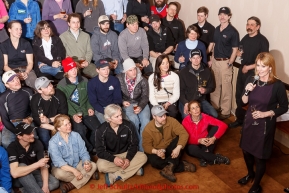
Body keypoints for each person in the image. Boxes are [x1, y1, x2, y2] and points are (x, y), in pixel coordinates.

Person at [238, 52, 288, 193]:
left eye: (263, 66)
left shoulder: (278, 86)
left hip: (264, 126)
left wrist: (266, 113)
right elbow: (243, 102)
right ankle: (250, 174)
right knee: (246, 151)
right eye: (258, 65)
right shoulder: (251, 79)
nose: (259, 69)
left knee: (259, 157)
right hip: (249, 122)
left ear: (270, 67)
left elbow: (284, 107)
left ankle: (256, 185)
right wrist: (247, 92)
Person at [229, 16, 269, 129]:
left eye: (252, 25)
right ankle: (240, 120)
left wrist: (249, 67)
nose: (249, 27)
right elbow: (240, 49)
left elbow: (265, 61)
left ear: (258, 27)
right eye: (248, 24)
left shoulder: (263, 41)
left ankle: (248, 124)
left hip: (255, 73)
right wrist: (237, 53)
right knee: (239, 96)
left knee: (250, 99)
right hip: (243, 70)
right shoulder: (246, 38)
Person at [95, 104, 147, 187]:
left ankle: (115, 175)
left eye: (120, 114)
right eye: (117, 116)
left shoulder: (128, 125)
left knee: (143, 157)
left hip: (126, 154)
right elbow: (100, 151)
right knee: (100, 166)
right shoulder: (100, 130)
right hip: (111, 157)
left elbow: (134, 144)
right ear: (109, 119)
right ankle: (133, 169)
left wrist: (128, 158)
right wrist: (113, 159)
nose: (121, 118)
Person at [57, 57, 101, 154]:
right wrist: (73, 115)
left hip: (85, 110)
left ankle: (92, 147)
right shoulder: (61, 85)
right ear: (66, 72)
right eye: (70, 69)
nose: (74, 71)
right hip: (72, 113)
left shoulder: (84, 80)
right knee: (80, 131)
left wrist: (90, 107)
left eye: (75, 69)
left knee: (98, 128)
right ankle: (88, 149)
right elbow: (65, 103)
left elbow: (90, 96)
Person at [142, 105, 195, 182]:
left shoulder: (172, 120)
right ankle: (182, 165)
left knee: (179, 141)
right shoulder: (148, 129)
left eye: (164, 114)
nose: (164, 117)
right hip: (158, 150)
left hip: (171, 147)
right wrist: (157, 152)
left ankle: (168, 168)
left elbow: (184, 134)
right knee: (154, 162)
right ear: (154, 116)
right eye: (161, 116)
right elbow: (146, 146)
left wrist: (178, 148)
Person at [49, 115, 98, 193]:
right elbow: (59, 163)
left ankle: (70, 185)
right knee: (59, 174)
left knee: (94, 165)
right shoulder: (53, 142)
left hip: (76, 163)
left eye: (69, 123)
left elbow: (84, 152)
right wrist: (74, 171)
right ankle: (88, 176)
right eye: (66, 125)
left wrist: (86, 162)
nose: (69, 126)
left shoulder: (76, 135)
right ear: (58, 128)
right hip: (63, 168)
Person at [7, 122, 59, 193]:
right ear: (19, 136)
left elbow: (43, 166)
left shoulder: (37, 143)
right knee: (22, 166)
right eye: (29, 134)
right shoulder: (12, 147)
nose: (32, 135)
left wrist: (45, 186)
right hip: (19, 178)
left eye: (32, 132)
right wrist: (37, 164)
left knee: (55, 183)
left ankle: (24, 190)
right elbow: (15, 173)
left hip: (34, 172)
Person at [208, 7, 239, 120]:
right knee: (215, 86)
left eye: (225, 15)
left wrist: (230, 63)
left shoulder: (233, 32)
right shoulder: (216, 29)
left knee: (226, 88)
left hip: (225, 63)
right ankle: (214, 108)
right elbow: (214, 46)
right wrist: (211, 59)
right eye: (220, 14)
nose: (222, 17)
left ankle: (225, 111)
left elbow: (235, 49)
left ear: (229, 16)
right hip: (215, 61)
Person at [116, 58, 150, 152]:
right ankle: (136, 146)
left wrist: (140, 106)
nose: (134, 72)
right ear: (126, 72)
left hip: (140, 102)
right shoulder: (119, 78)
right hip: (128, 103)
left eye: (134, 69)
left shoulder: (142, 79)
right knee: (133, 120)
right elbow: (115, 94)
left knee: (146, 121)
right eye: (130, 70)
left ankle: (142, 148)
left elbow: (145, 96)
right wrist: (122, 101)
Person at [182, 100, 229, 167]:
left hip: (205, 141)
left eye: (197, 107)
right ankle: (215, 158)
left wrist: (214, 138)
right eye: (193, 108)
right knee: (191, 150)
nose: (196, 110)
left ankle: (203, 157)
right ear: (189, 112)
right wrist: (198, 140)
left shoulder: (205, 117)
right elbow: (185, 138)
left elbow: (224, 125)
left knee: (216, 127)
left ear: (200, 108)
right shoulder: (185, 121)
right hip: (192, 144)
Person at [31, 76, 68, 150]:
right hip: (44, 125)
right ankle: (49, 154)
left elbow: (63, 114)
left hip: (57, 121)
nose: (50, 87)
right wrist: (53, 128)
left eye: (50, 84)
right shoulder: (35, 100)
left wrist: (49, 120)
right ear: (40, 91)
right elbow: (37, 120)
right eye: (46, 87)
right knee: (44, 135)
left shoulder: (59, 94)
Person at [179, 49, 217, 119]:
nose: (196, 60)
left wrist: (205, 90)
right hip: (187, 101)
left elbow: (211, 87)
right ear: (190, 59)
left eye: (198, 58)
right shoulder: (183, 72)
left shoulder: (207, 71)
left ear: (201, 58)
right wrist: (185, 103)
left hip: (201, 101)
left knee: (214, 115)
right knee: (187, 118)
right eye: (193, 58)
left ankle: (203, 128)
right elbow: (180, 91)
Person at [0, 70, 34, 148]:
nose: (17, 82)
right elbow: (5, 120)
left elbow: (34, 109)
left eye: (17, 78)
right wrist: (17, 132)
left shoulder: (28, 91)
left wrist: (30, 118)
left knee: (33, 139)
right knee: (6, 142)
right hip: (12, 123)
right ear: (7, 85)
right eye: (12, 81)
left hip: (27, 120)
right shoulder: (3, 97)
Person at [1, 21, 37, 90]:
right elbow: (5, 65)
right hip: (11, 70)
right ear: (9, 30)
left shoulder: (26, 43)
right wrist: (15, 74)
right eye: (16, 29)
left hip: (26, 69)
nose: (19, 31)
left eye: (20, 29)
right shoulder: (4, 45)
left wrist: (26, 72)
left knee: (36, 84)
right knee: (13, 86)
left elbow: (30, 62)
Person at [60, 13, 97, 78]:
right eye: (73, 22)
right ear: (68, 23)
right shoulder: (63, 37)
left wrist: (87, 61)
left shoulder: (86, 36)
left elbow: (89, 51)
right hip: (71, 64)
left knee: (98, 73)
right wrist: (73, 63)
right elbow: (63, 54)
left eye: (78, 22)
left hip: (84, 62)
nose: (76, 24)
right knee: (76, 76)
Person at [88, 59, 122, 123]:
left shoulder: (114, 80)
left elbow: (118, 98)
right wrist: (105, 111)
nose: (106, 71)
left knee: (125, 122)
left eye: (107, 68)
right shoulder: (92, 83)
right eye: (103, 69)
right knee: (107, 124)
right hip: (100, 108)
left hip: (113, 107)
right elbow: (93, 102)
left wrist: (114, 110)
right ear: (97, 70)